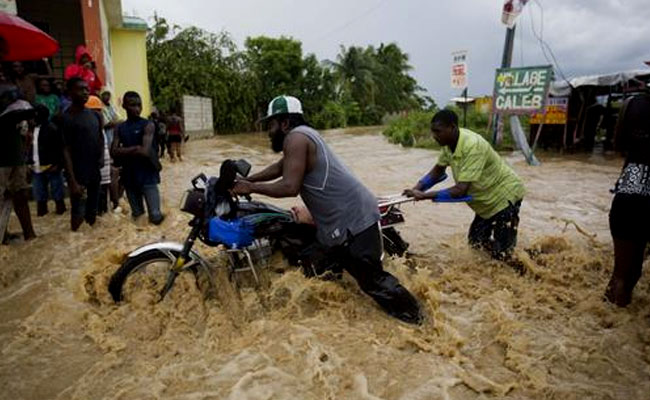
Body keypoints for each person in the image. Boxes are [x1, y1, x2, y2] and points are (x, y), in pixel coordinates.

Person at [232, 95, 422, 324]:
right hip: (338, 222)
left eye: (271, 124)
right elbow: (280, 168)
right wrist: (247, 181)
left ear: (284, 123)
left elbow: (290, 186)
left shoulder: (296, 138)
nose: (269, 131)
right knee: (313, 263)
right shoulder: (303, 137)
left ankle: (419, 321)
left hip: (352, 220)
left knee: (373, 281)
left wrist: (251, 187)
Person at [404, 109, 525, 262]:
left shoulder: (472, 146)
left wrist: (424, 195)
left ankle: (528, 271)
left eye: (438, 132)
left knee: (503, 254)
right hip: (485, 201)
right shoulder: (448, 145)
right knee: (476, 243)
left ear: (452, 127)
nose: (434, 136)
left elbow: (460, 190)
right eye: (433, 132)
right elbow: (437, 172)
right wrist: (416, 188)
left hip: (504, 197)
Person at [604, 92, 650, 307]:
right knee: (634, 272)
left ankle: (607, 323)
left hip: (629, 190)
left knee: (621, 274)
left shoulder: (631, 103)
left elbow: (617, 145)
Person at [111, 91, 164, 225]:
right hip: (129, 177)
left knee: (155, 217)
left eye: (139, 105)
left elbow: (145, 151)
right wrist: (136, 148)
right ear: (124, 106)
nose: (137, 109)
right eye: (132, 105)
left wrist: (123, 150)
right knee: (138, 218)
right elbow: (113, 151)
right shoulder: (120, 127)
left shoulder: (148, 125)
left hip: (148, 176)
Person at [61, 78, 105, 231]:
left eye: (87, 89)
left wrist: (101, 158)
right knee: (77, 213)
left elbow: (100, 137)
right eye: (81, 89)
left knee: (93, 212)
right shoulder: (66, 118)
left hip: (94, 172)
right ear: (70, 93)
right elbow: (65, 150)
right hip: (78, 174)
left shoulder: (95, 116)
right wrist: (72, 181)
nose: (85, 92)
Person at [0, 85, 37, 242]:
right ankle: (4, 235)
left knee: (21, 195)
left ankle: (29, 234)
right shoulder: (9, 114)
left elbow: (24, 135)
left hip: (16, 159)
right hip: (2, 163)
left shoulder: (15, 113)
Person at [30, 104, 66, 216]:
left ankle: (60, 211)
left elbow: (60, 148)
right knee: (39, 193)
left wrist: (58, 164)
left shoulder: (52, 128)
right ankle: (42, 213)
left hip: (51, 165)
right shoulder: (32, 129)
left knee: (57, 191)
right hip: (36, 166)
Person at [85, 95, 112, 216]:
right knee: (96, 190)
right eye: (95, 111)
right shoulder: (89, 127)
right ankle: (98, 213)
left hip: (103, 162)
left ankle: (102, 212)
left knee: (103, 188)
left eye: (99, 111)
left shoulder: (99, 127)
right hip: (94, 164)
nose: (98, 114)